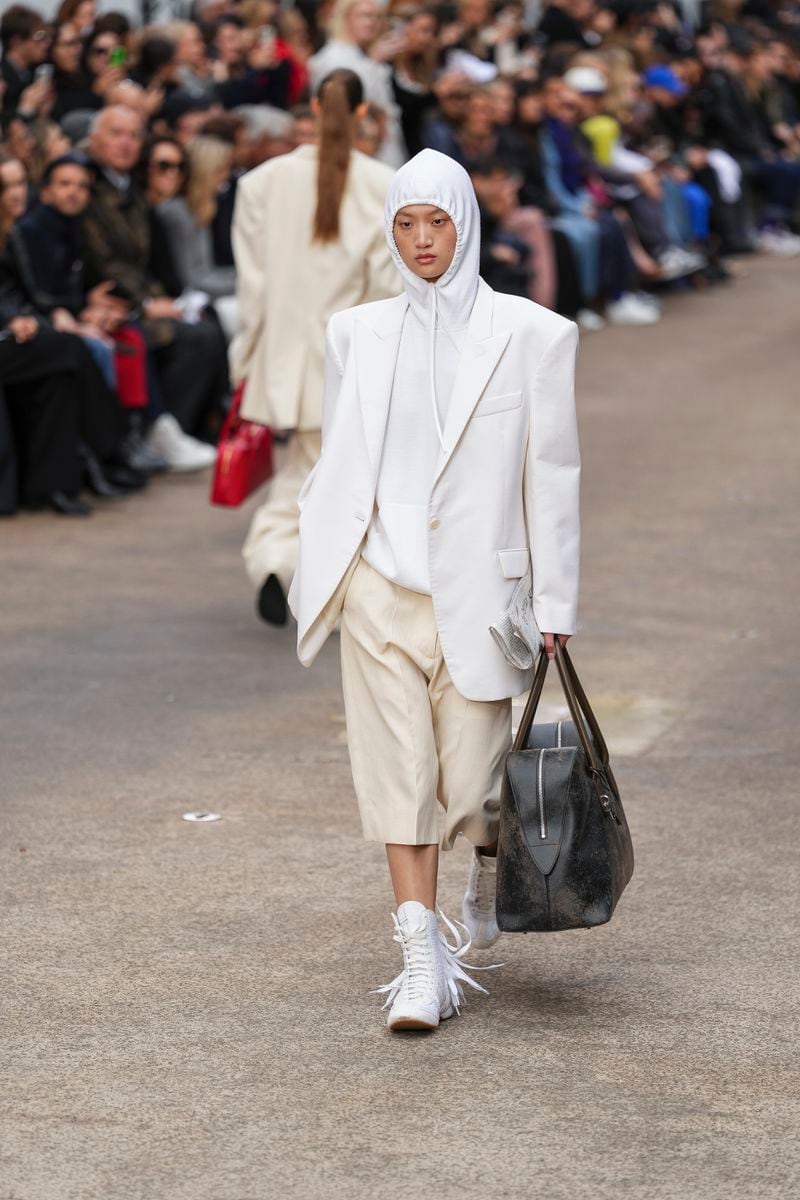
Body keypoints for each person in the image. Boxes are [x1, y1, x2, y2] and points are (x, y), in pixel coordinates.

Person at [288, 149, 580, 1031]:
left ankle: (488, 867)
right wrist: (321, 557)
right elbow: (341, 457)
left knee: (477, 792)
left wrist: (558, 603)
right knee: (398, 780)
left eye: (438, 222)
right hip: (379, 586)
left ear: (467, 224)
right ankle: (422, 958)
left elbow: (552, 475)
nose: (421, 240)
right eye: (407, 223)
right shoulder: (356, 333)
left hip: (484, 597)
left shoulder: (534, 333)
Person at [230, 68, 398, 626]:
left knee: (306, 467)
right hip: (351, 359)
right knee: (335, 475)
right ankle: (296, 567)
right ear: (360, 115)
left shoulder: (261, 182)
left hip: (283, 358)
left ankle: (283, 562)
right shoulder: (383, 184)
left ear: (308, 108)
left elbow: (251, 287)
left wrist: (245, 360)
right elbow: (385, 287)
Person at [81, 105, 228, 470]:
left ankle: (179, 429)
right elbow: (103, 262)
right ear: (94, 138)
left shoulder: (129, 190)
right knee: (193, 336)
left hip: (136, 298)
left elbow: (143, 262)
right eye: (116, 133)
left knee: (205, 327)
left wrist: (162, 298)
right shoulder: (88, 187)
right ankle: (162, 433)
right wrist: (146, 304)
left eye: (133, 135)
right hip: (109, 303)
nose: (125, 143)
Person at [155, 135, 238, 339]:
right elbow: (194, 278)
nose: (226, 177)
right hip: (189, 299)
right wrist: (249, 281)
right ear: (205, 172)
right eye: (220, 170)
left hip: (210, 290)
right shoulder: (178, 213)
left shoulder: (199, 210)